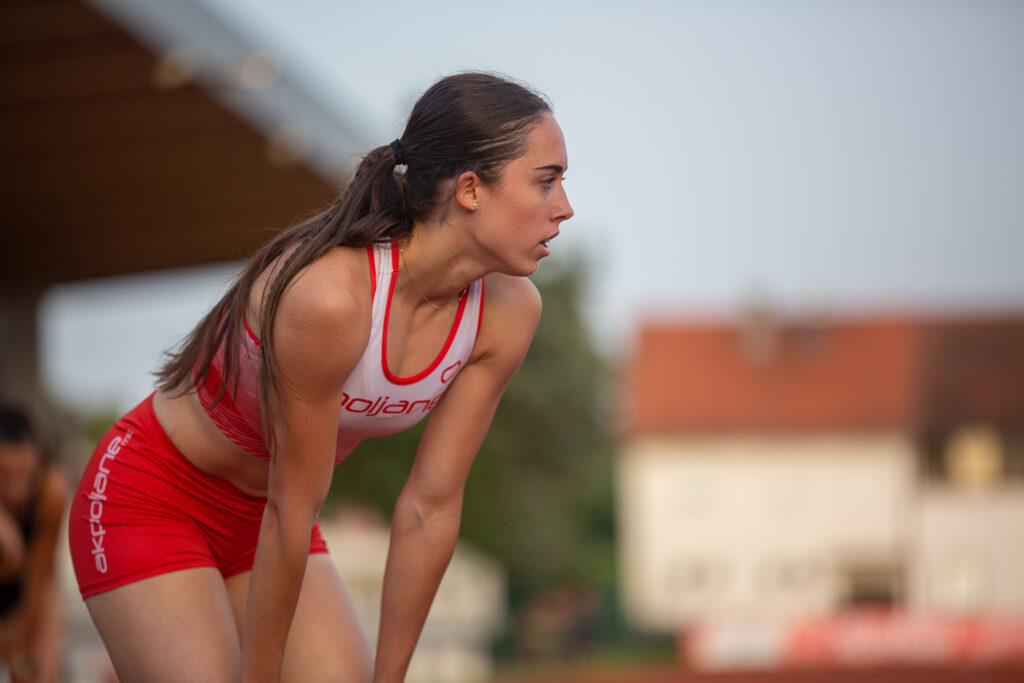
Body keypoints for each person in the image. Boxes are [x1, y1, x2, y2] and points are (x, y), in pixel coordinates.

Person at [67, 71, 573, 682]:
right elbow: (291, 506)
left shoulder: (509, 312)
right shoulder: (330, 299)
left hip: (272, 519)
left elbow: (429, 509)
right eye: (546, 181)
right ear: (470, 188)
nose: (564, 208)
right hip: (154, 499)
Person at [0, 406, 69, 683]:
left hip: (33, 588)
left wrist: (21, 654)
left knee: (35, 670)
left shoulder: (51, 491)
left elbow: (36, 582)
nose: (16, 492)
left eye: (24, 477)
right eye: (4, 477)